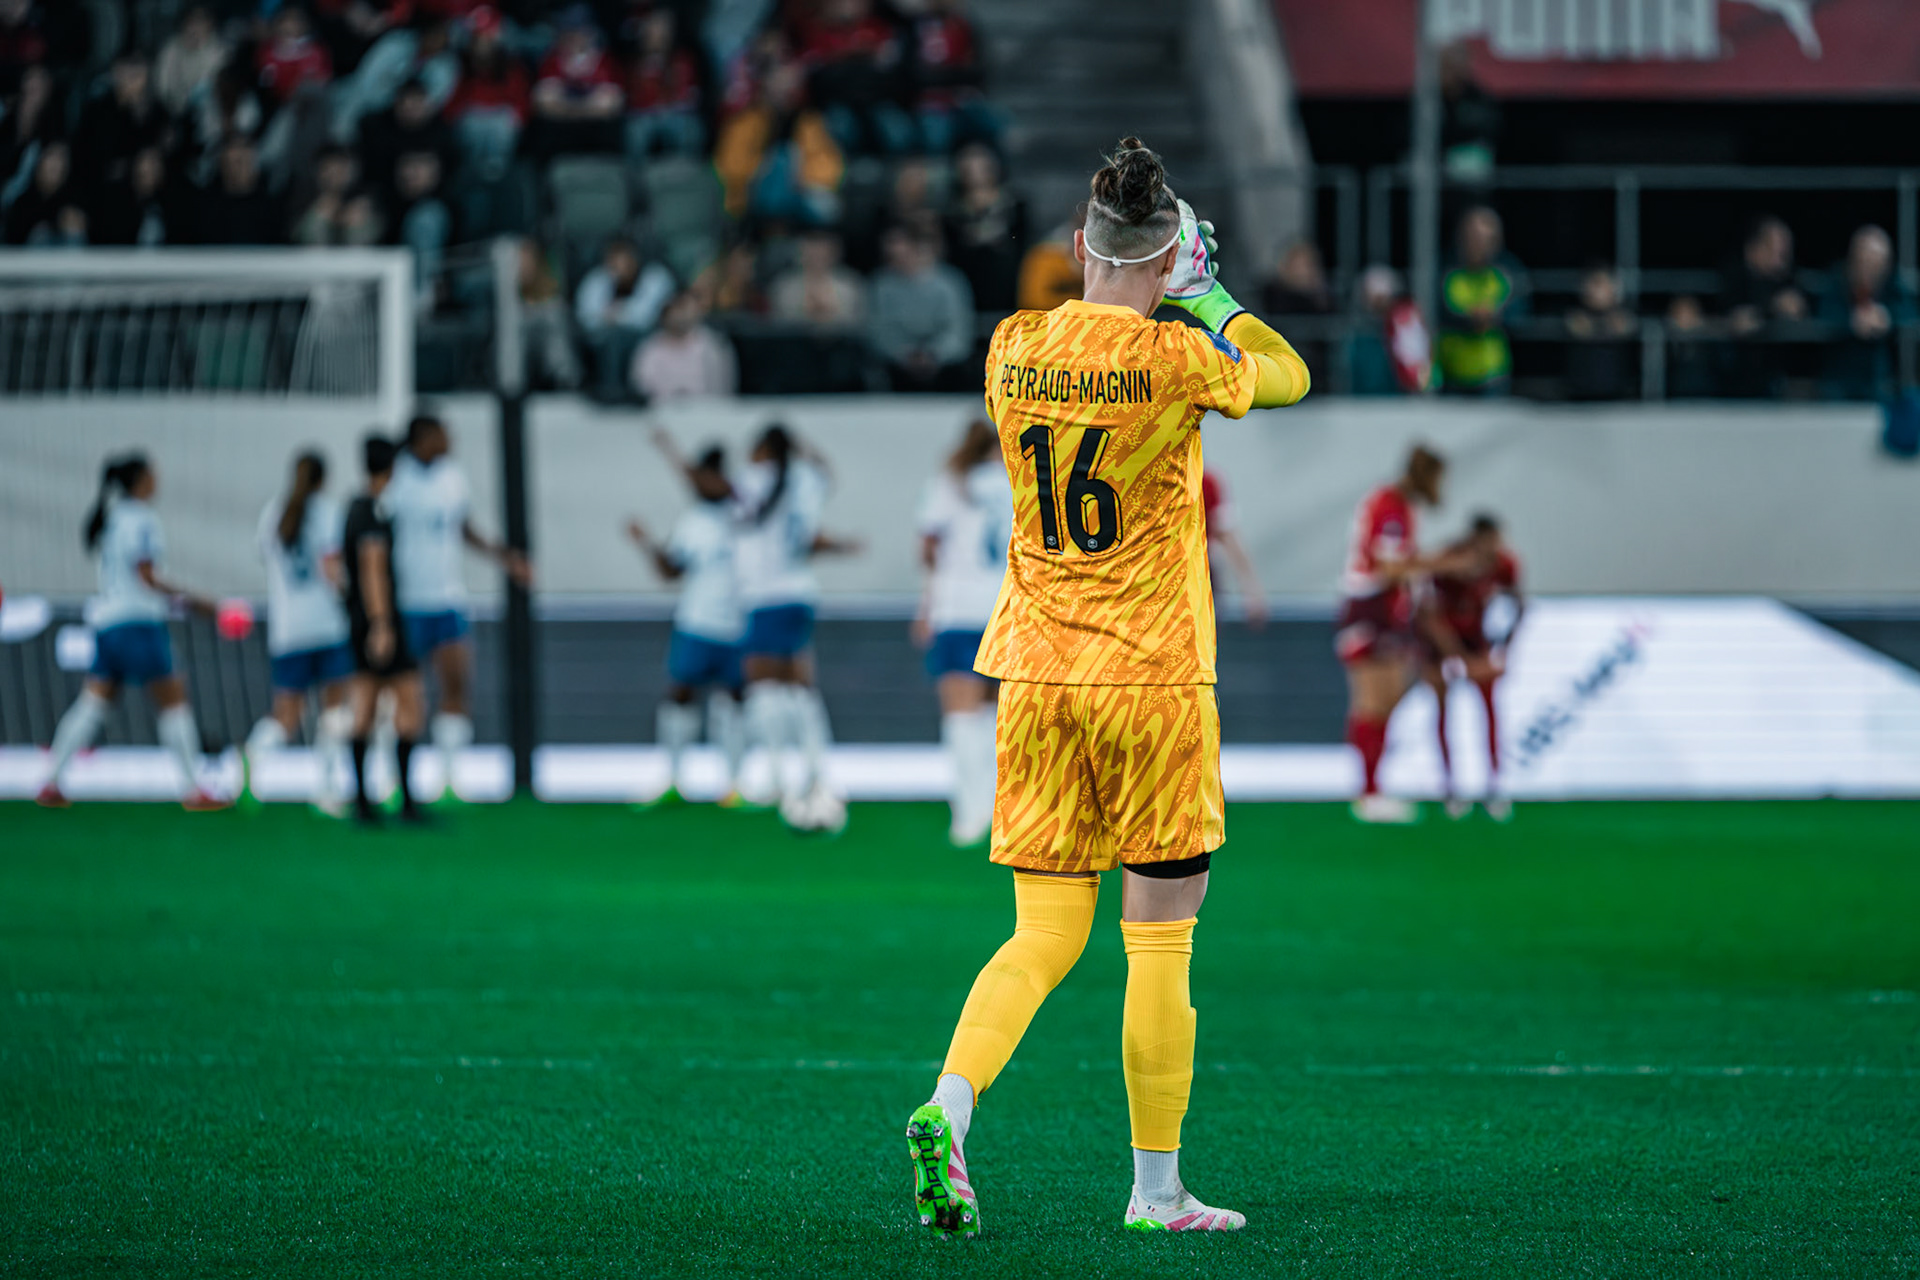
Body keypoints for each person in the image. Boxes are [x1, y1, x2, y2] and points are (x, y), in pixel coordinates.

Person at [906, 136, 1309, 1238]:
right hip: (1149, 675)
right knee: (1160, 942)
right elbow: (1289, 374)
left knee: (1041, 933)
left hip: (1033, 668)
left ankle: (949, 1104)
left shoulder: (1011, 345)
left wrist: (1159, 279)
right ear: (1169, 248)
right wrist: (1210, 294)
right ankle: (1156, 1189)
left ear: (1079, 244)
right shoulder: (1176, 358)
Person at [37, 453, 228, 811]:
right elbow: (147, 577)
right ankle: (193, 789)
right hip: (138, 623)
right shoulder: (142, 519)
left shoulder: (111, 519)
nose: (159, 479)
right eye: (154, 473)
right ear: (141, 480)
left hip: (107, 623)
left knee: (93, 703)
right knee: (174, 701)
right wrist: (196, 601)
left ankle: (51, 782)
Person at [384, 411, 532, 802]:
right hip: (407, 603)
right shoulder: (395, 479)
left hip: (448, 599)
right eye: (442, 434)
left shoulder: (453, 477)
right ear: (422, 438)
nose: (451, 439)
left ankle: (449, 779)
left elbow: (464, 528)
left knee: (456, 685)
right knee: (401, 694)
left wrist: (505, 558)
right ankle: (394, 780)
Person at [732, 423, 860, 830]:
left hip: (764, 594)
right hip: (800, 592)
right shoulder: (805, 479)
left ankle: (775, 776)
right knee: (799, 683)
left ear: (762, 450)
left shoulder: (751, 480)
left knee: (764, 683)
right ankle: (817, 773)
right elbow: (826, 478)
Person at [1336, 445, 1462, 824]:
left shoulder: (1400, 506)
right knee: (1372, 701)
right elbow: (1389, 568)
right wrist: (1442, 563)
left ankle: (1374, 787)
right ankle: (1368, 792)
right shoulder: (1389, 505)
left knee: (1388, 701)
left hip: (1386, 611)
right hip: (1368, 608)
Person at [625, 428, 748, 806]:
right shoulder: (693, 522)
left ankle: (734, 785)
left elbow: (708, 483)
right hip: (697, 622)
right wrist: (646, 543)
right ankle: (675, 779)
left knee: (735, 700)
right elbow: (670, 572)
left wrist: (670, 451)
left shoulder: (745, 510)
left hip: (738, 624)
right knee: (680, 696)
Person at [913, 418, 1011, 847]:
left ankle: (967, 815)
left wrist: (925, 608)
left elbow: (929, 551)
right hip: (1006, 607)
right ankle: (997, 810)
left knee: (959, 713)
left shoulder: (948, 485)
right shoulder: (1018, 481)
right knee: (995, 714)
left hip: (958, 608)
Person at [243, 450, 355, 812]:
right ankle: (325, 789)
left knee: (286, 713)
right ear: (324, 478)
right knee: (333, 711)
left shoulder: (273, 513)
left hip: (288, 629)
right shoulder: (326, 512)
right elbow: (331, 569)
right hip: (327, 625)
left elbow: (265, 558)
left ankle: (252, 757)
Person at [341, 434, 427, 826]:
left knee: (367, 703)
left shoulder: (359, 509)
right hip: (379, 621)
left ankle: (363, 801)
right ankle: (404, 800)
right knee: (407, 703)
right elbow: (372, 569)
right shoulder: (370, 514)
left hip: (363, 620)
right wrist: (381, 624)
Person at [1417, 513, 1523, 822]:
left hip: (1477, 639)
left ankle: (1494, 784)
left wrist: (1503, 651)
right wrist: (1459, 658)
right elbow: (1428, 616)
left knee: (1489, 707)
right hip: (1438, 643)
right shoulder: (1447, 562)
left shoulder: (1504, 564)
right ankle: (1450, 786)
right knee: (1442, 707)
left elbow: (1518, 604)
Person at [870, 226, 975, 392]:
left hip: (944, 365)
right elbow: (879, 330)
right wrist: (906, 354)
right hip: (897, 364)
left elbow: (958, 331)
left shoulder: (950, 283)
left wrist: (933, 354)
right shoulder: (883, 286)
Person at [575, 236, 677, 401]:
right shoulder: (595, 280)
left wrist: (614, 315)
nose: (620, 267)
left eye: (625, 261)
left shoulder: (655, 277)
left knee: (618, 336)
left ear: (634, 259)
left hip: (648, 335)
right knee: (612, 337)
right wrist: (617, 315)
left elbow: (646, 317)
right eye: (614, 261)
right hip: (603, 337)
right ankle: (611, 391)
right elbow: (587, 317)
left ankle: (632, 390)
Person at [1437, 206, 1525, 395]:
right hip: (1451, 374)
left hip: (1492, 376)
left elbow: (1520, 316)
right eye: (1473, 237)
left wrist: (1494, 317)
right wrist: (1470, 319)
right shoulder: (1445, 269)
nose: (1478, 244)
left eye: (1485, 238)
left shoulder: (1508, 271)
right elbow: (1433, 311)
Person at [1821, 225, 1911, 402]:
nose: (1871, 268)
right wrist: (1852, 321)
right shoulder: (1836, 281)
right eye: (1865, 260)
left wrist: (1886, 317)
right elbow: (1824, 314)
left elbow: (1909, 312)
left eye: (1877, 263)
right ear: (1854, 258)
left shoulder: (1892, 284)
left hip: (1879, 382)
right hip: (1838, 382)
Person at [630, 289, 737, 401]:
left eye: (684, 308)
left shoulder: (715, 346)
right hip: (658, 413)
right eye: (675, 308)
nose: (680, 314)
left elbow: (723, 392)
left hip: (704, 413)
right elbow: (640, 390)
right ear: (665, 312)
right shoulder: (649, 348)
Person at [1200, 471, 1266, 628]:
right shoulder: (1203, 481)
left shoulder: (1205, 483)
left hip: (1202, 579)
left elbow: (1228, 535)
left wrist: (1251, 589)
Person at [1563, 263, 1636, 401]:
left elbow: (1627, 328)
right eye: (1592, 284)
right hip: (1579, 398)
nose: (1595, 290)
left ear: (1613, 289)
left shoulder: (1624, 317)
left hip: (1618, 397)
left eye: (1600, 284)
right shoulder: (1574, 316)